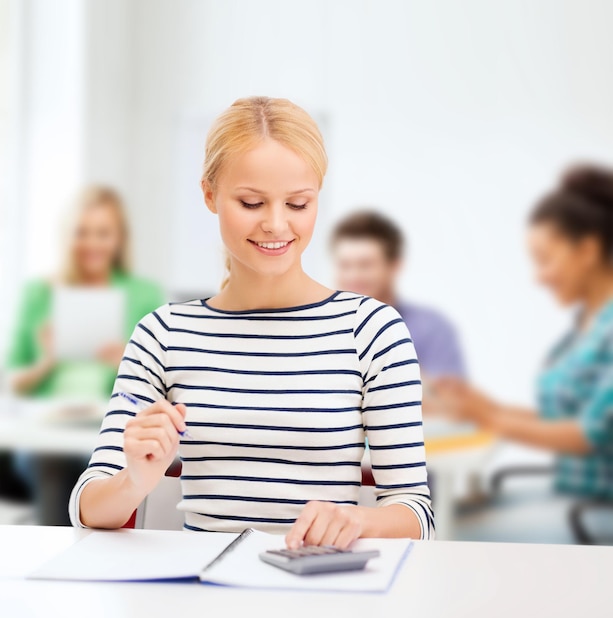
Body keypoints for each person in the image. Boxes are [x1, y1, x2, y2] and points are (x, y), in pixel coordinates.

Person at [70, 97, 434, 546]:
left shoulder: (372, 331)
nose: (276, 225)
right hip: (200, 599)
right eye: (251, 202)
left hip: (322, 594)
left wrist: (358, 522)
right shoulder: (161, 334)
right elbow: (87, 507)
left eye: (298, 204)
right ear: (209, 194)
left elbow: (415, 510)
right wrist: (135, 481)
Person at [434, 164, 613, 503]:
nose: (539, 278)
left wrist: (488, 419)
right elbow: (558, 418)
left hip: (595, 516)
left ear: (587, 251)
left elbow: (586, 435)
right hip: (573, 504)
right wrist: (483, 405)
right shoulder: (583, 328)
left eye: (545, 260)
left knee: (449, 530)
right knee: (454, 517)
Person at [4, 185, 164, 523]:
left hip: (114, 430)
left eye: (103, 233)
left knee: (105, 472)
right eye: (82, 232)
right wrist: (45, 363)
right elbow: (14, 382)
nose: (92, 243)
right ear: (68, 236)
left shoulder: (143, 295)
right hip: (48, 433)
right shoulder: (40, 294)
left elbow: (160, 386)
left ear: (119, 239)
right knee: (49, 466)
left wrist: (129, 361)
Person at [331, 210, 466, 380]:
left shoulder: (430, 329)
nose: (353, 276)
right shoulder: (321, 328)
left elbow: (447, 400)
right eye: (345, 265)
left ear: (394, 266)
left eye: (365, 265)